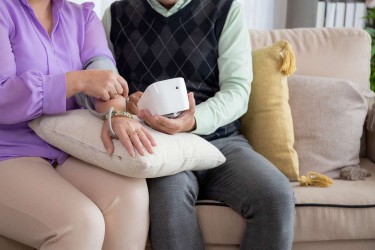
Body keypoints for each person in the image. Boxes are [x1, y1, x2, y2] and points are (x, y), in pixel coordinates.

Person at [103, 0, 295, 249]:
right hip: (159, 148)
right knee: (168, 202)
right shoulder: (117, 15)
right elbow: (105, 86)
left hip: (221, 142)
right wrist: (126, 102)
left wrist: (193, 121)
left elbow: (237, 90)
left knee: (276, 197)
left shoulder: (225, 8)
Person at [0, 0, 156, 249]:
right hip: (8, 154)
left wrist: (116, 113)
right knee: (82, 224)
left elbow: (102, 68)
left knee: (131, 195)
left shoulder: (82, 17)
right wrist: (76, 82)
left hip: (63, 149)